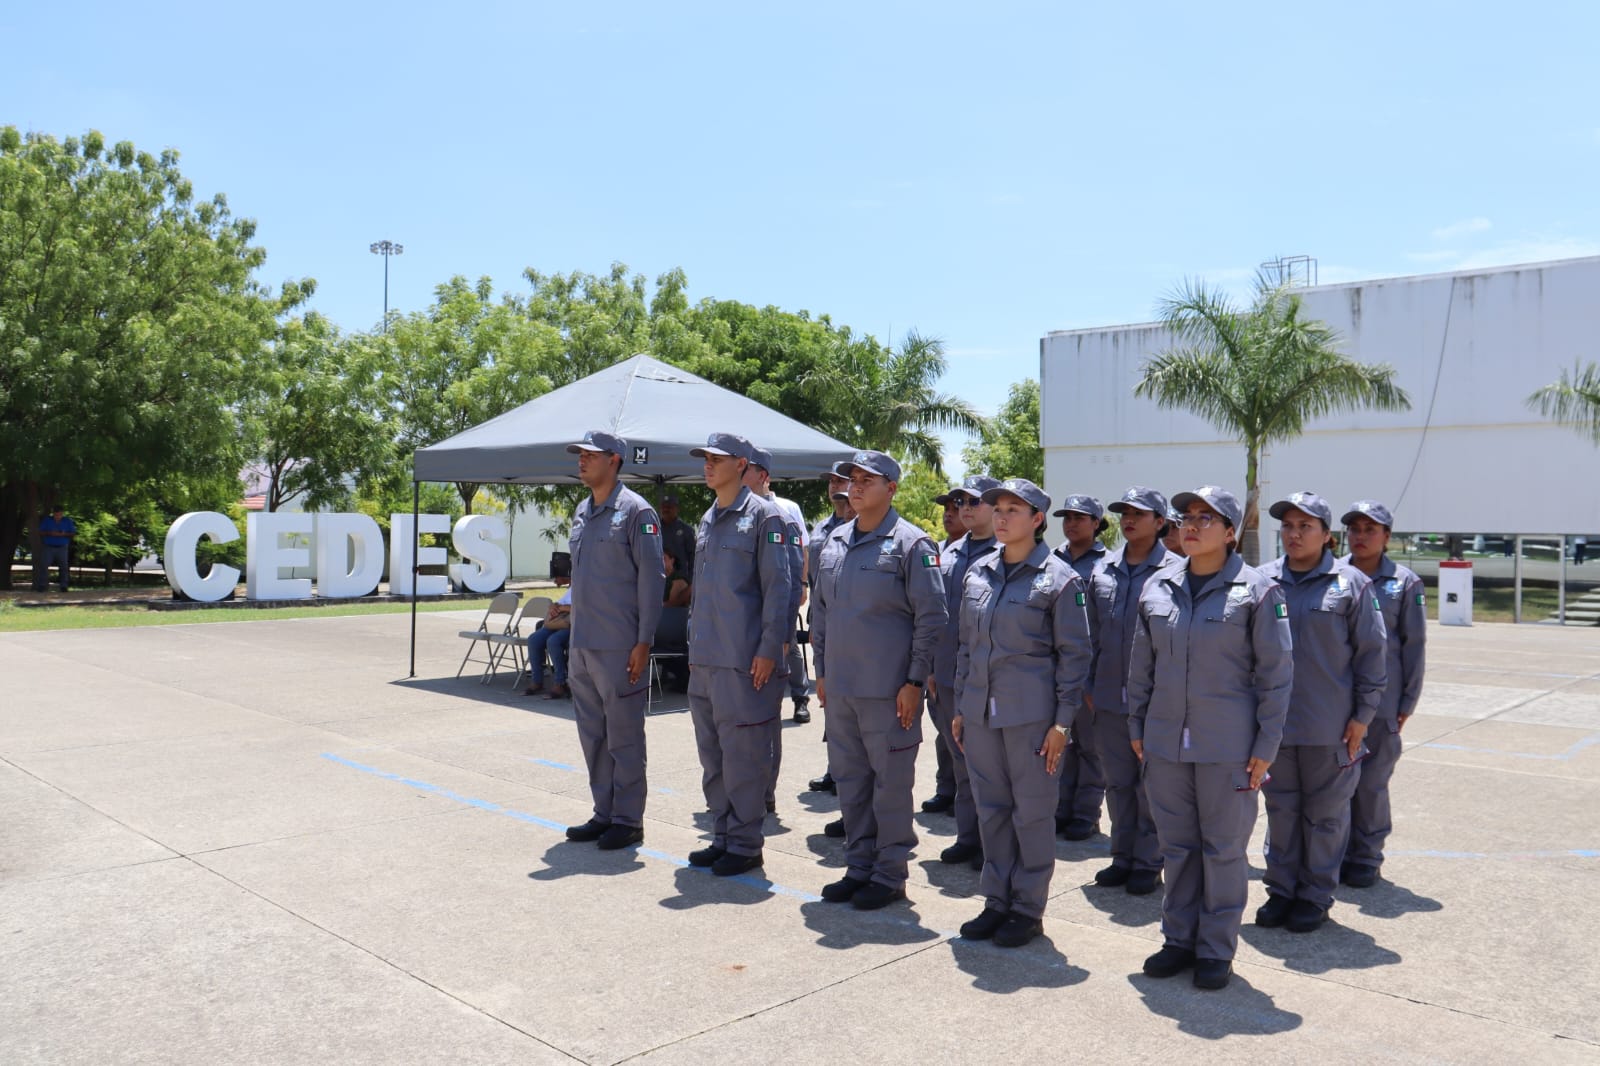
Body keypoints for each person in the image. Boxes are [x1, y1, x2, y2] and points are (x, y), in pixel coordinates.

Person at [1129, 485, 1291, 991]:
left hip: (1229, 750)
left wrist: (1265, 748)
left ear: (1230, 531)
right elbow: (1141, 667)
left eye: (1206, 517)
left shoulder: (1259, 592)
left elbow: (1276, 677)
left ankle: (1215, 949)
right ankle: (1178, 938)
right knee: (1177, 848)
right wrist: (1137, 727)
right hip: (1164, 744)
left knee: (1222, 851)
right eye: (1186, 517)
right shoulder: (1158, 587)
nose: (1192, 525)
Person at [952, 479, 1092, 948]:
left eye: (1015, 509)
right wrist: (961, 705)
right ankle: (997, 901)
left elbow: (1075, 657)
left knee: (1031, 815)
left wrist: (1062, 724)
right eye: (998, 508)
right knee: (991, 812)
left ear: (1037, 519)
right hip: (981, 714)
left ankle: (1028, 909)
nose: (1003, 516)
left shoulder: (1059, 580)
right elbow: (967, 648)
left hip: (1031, 718)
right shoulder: (979, 573)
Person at [812, 449, 947, 910]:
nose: (856, 484)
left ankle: (889, 876)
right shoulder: (835, 540)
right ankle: (859, 866)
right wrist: (821, 671)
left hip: (890, 692)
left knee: (890, 787)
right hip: (844, 688)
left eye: (868, 479)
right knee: (851, 783)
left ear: (891, 488)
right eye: (853, 477)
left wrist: (914, 680)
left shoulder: (912, 545)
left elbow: (932, 619)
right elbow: (822, 614)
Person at [1257, 492, 1387, 933]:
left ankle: (1314, 896)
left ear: (1327, 536)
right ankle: (1281, 891)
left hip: (1330, 728)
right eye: (1288, 526)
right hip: (1273, 728)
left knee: (1326, 817)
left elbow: (1372, 655)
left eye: (1305, 526)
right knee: (1281, 814)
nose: (1293, 534)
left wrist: (1363, 716)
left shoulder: (1351, 584)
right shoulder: (1261, 581)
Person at [684, 432, 793, 877]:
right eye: (705, 458)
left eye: (717, 458)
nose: (708, 464)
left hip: (744, 660)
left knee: (743, 756)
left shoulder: (766, 518)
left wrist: (770, 649)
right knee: (713, 756)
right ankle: (723, 835)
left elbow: (780, 589)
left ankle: (746, 844)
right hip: (706, 658)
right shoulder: (709, 518)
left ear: (742, 464)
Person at [561, 430, 666, 851]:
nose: (582, 460)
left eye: (591, 454)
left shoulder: (637, 512)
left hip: (621, 645)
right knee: (593, 735)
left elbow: (652, 579)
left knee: (624, 735)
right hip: (583, 643)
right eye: (580, 454)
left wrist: (644, 641)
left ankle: (628, 819)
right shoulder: (583, 512)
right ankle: (603, 812)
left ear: (614, 460)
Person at [1086, 486, 1173, 896]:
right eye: (1124, 512)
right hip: (1106, 696)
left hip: (1154, 700)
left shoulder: (1176, 571)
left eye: (1140, 513)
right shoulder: (1103, 569)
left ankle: (1149, 861)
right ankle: (1122, 857)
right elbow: (1088, 634)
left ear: (1160, 522)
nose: (1129, 520)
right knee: (1117, 782)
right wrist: (1086, 683)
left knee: (1149, 785)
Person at [1340, 500, 1427, 888]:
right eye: (1354, 529)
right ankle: (1335, 853)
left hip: (1383, 705)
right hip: (1335, 703)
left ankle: (1366, 856)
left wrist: (1406, 703)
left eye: (1369, 529)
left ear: (1387, 537)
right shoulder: (1333, 576)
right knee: (1334, 786)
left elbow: (1414, 646)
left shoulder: (1404, 583)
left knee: (1371, 784)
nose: (1360, 536)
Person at [924, 474, 1001, 866]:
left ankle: (996, 848)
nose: (965, 509)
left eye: (974, 502)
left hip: (992, 682)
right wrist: (933, 669)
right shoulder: (948, 554)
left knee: (991, 769)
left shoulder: (1009, 553)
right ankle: (970, 837)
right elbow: (939, 618)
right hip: (950, 678)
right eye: (960, 502)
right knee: (962, 762)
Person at [745, 444, 807, 812]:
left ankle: (764, 794)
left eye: (746, 468)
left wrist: (782, 638)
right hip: (735, 639)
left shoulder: (781, 514)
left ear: (762, 475)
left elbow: (789, 583)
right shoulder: (724, 512)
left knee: (765, 722)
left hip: (769, 638)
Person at [1050, 494, 1108, 840]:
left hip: (1087, 669)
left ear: (1096, 524)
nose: (1071, 523)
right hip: (1053, 669)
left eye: (1080, 518)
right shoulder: (1051, 559)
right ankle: (1061, 808)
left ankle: (1085, 814)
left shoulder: (1106, 564)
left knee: (1089, 747)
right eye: (1067, 517)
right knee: (1060, 744)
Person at [745, 447, 813, 724]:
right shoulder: (738, 510)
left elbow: (802, 552)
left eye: (746, 468)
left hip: (780, 593)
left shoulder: (786, 509)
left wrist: (803, 584)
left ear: (763, 475)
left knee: (789, 647)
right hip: (750, 604)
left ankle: (800, 698)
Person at [806, 464, 855, 802]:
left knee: (850, 702)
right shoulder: (823, 528)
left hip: (854, 627)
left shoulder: (859, 525)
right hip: (823, 622)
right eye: (832, 481)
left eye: (841, 480)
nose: (835, 485)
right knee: (829, 699)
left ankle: (849, 774)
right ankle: (835, 767)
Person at [524, 590, 573, 698]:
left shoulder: (592, 586)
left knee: (553, 641)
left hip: (573, 623)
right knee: (533, 639)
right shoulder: (574, 587)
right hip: (559, 619)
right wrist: (554, 607)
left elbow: (585, 608)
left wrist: (563, 608)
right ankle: (537, 681)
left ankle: (560, 682)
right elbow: (558, 602)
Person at [35, 504, 76, 592]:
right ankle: (42, 585)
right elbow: (40, 532)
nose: (58, 516)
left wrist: (63, 534)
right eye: (56, 514)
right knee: (44, 566)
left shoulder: (67, 521)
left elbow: (72, 533)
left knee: (64, 567)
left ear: (62, 513)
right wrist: (50, 533)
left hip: (62, 547)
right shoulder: (47, 520)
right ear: (53, 513)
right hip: (48, 547)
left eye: (59, 514)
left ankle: (64, 586)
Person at [659, 493, 697, 575]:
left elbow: (693, 559)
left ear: (677, 509)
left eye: (669, 507)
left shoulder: (687, 530)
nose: (665, 509)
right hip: (658, 578)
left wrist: (690, 582)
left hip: (681, 580)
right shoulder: (654, 529)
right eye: (663, 507)